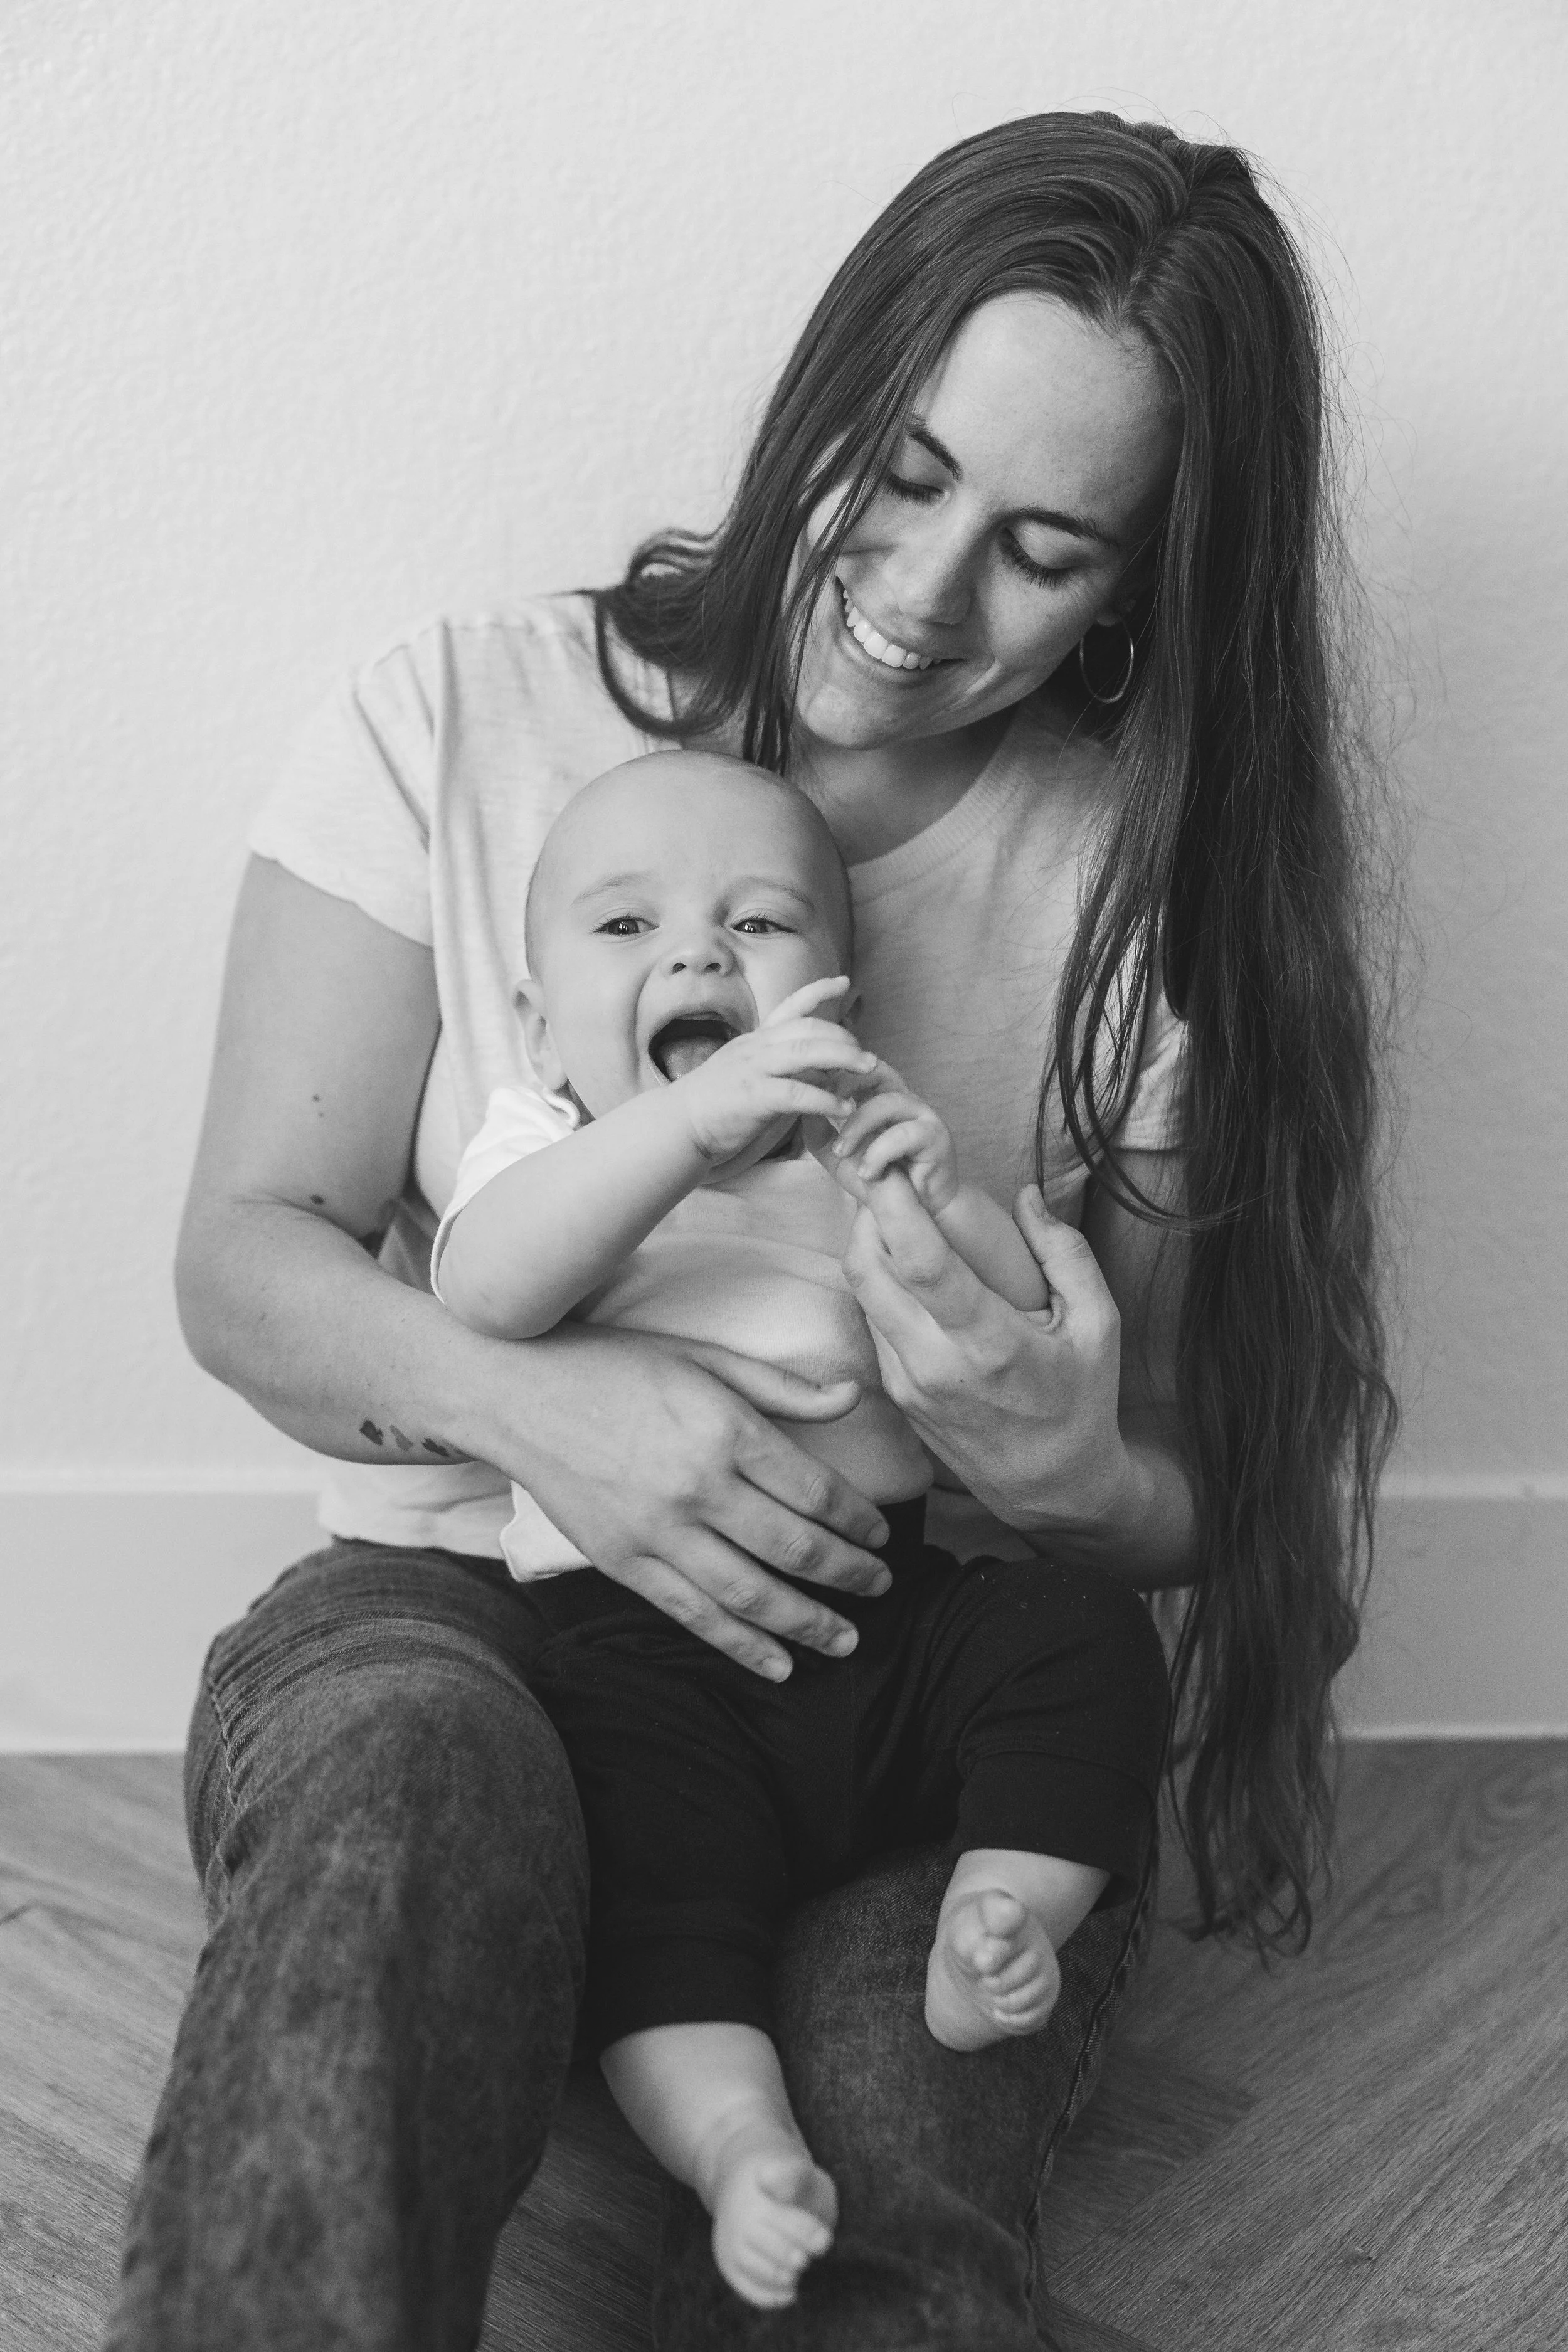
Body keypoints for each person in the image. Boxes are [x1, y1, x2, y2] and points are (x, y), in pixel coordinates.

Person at [108, 110, 1395, 2352]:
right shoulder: (458, 716)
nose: (922, 592)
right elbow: (246, 1262)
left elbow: (1195, 1489)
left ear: (1141, 594)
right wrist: (558, 1420)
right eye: (901, 473)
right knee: (405, 1827)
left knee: (904, 2131)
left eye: (1046, 550)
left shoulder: (1142, 907)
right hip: (465, 1613)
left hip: (894, 1674)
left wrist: (1066, 1462)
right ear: (829, 384)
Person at [432, 749, 1171, 2309]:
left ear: (829, 998)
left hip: (888, 1623)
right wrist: (687, 1126)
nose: (697, 955)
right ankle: (732, 2142)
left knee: (1074, 1635)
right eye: (624, 929)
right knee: (649, 1893)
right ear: (531, 1010)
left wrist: (936, 1197)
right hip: (650, 1652)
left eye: (752, 925)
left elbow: (1020, 1325)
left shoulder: (844, 1149)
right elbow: (489, 1288)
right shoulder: (541, 1145)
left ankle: (1001, 1914)